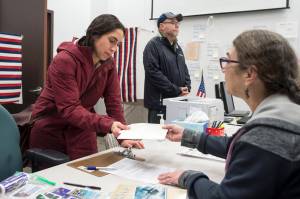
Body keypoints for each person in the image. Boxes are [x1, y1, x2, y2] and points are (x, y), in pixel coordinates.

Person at [158, 30, 300, 198]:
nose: (223, 69)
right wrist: (188, 135)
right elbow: (235, 145)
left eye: (227, 61)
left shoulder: (267, 135)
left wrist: (188, 177)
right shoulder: (285, 112)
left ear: (249, 74)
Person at [30, 14, 144, 161]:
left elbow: (114, 103)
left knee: (88, 177)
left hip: (83, 130)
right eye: (112, 41)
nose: (114, 48)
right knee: (55, 180)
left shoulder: (108, 64)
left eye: (118, 45)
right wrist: (108, 124)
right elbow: (69, 109)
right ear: (95, 35)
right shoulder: (65, 60)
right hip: (52, 130)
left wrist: (123, 137)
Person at [143, 12, 191, 124]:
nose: (177, 25)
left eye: (177, 23)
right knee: (158, 139)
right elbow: (153, 73)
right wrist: (176, 89)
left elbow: (184, 70)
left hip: (177, 102)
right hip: (159, 106)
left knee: (174, 139)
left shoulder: (177, 48)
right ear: (162, 26)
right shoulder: (153, 45)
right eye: (173, 22)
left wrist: (187, 86)